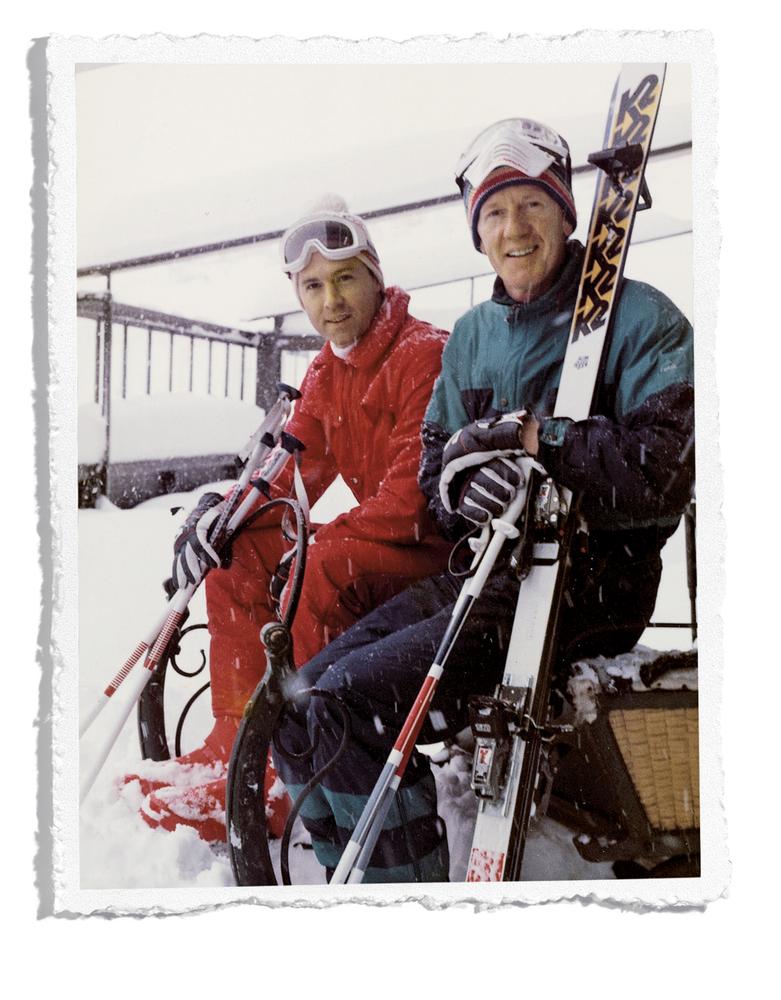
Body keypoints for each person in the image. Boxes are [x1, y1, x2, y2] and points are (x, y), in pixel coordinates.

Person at [272, 118, 695, 882]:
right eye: (494, 212)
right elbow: (434, 475)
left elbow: (668, 468)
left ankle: (404, 896)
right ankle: (347, 876)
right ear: (476, 233)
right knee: (299, 702)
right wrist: (463, 482)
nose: (514, 228)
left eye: (532, 204)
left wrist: (542, 443)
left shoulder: (642, 318)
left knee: (350, 705)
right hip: (487, 574)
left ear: (566, 213)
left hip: (591, 587)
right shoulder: (471, 336)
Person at [129, 200, 451, 842]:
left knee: (321, 565)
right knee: (242, 546)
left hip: (436, 557)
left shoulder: (424, 355)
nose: (331, 301)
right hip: (381, 547)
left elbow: (411, 501)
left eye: (345, 278)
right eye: (313, 286)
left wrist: (319, 545)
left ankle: (287, 769)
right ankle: (235, 742)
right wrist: (224, 513)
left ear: (375, 277)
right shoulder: (329, 368)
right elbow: (288, 472)